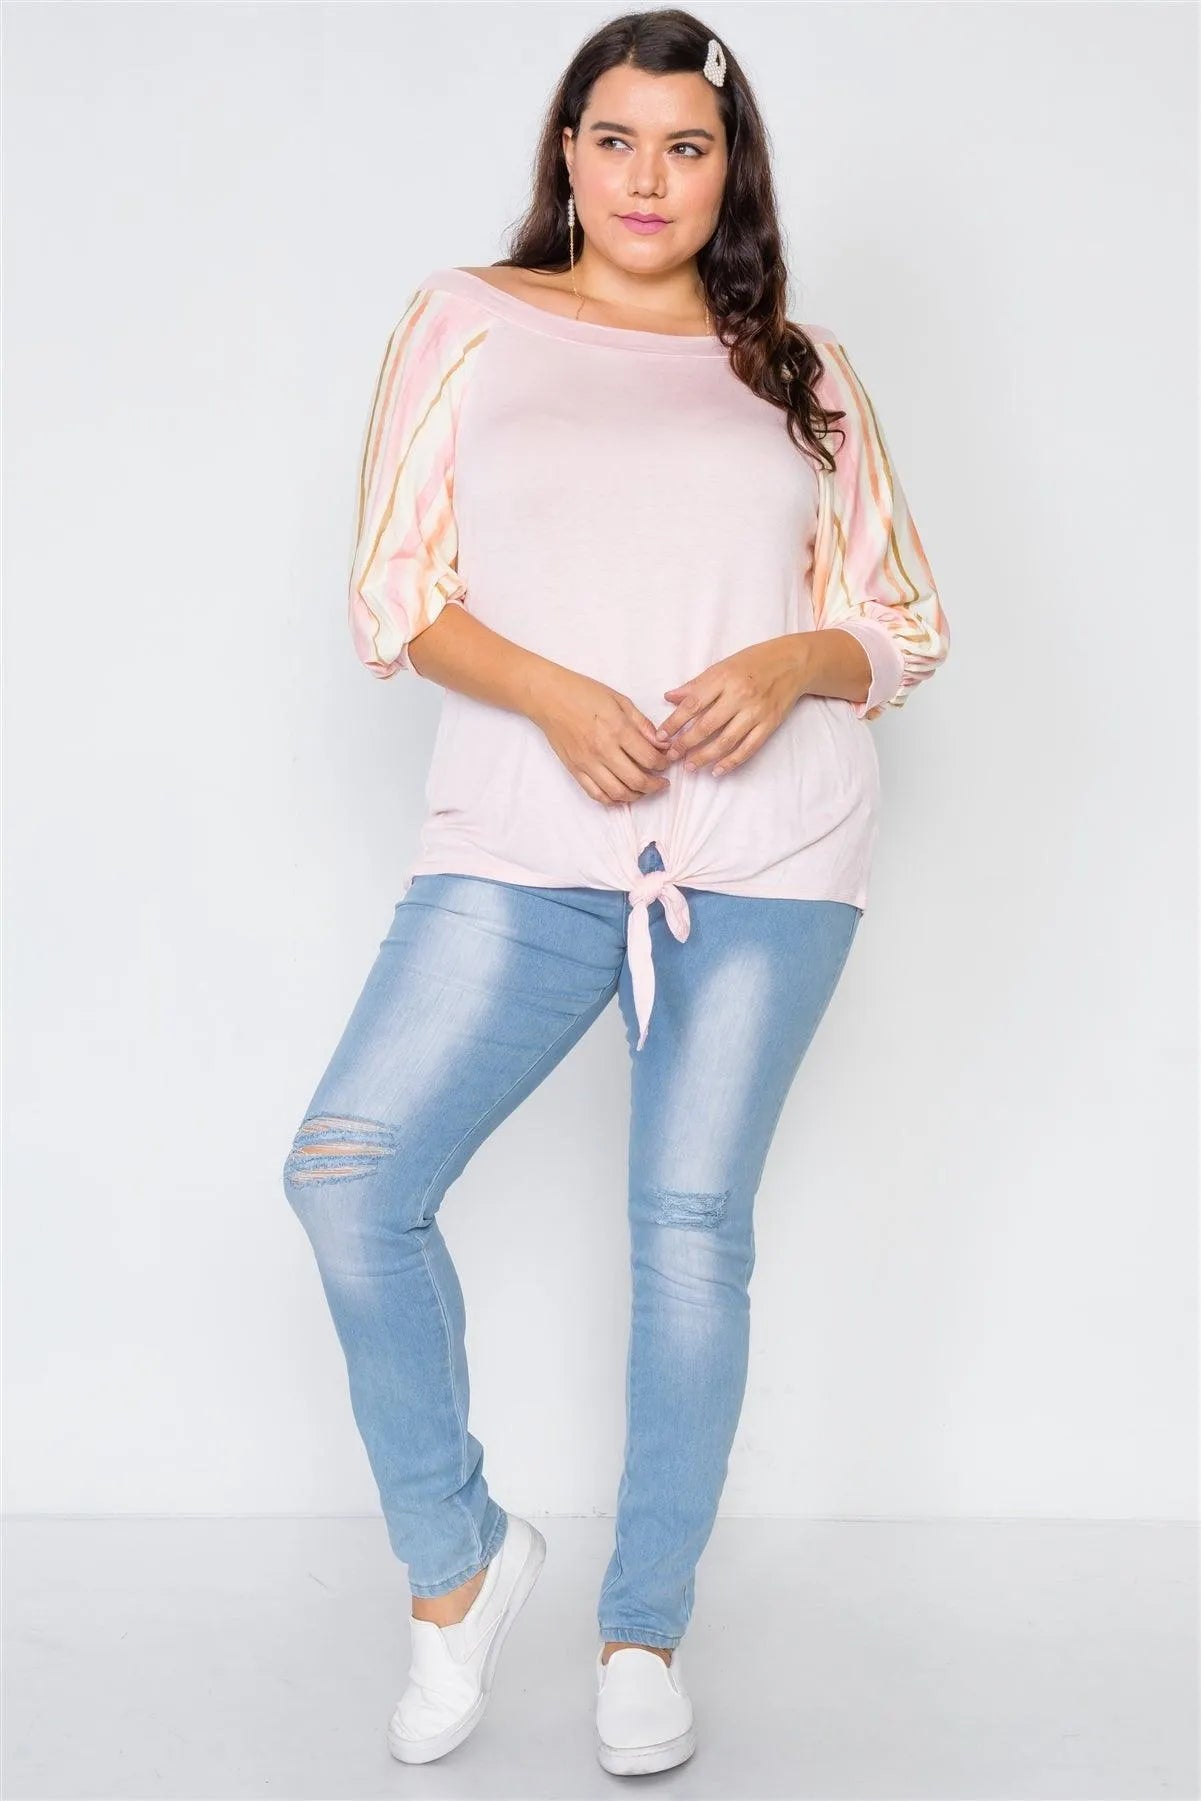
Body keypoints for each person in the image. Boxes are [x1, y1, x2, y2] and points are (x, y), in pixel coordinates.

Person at [282, 7, 950, 1776]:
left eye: (686, 146)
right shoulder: (465, 320)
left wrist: (794, 659)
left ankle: (641, 1628)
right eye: (613, 139)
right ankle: (460, 1563)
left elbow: (902, 620)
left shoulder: (797, 365)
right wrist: (555, 694)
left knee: (687, 1229)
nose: (646, 178)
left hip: (769, 853)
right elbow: (393, 593)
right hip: (522, 839)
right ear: (565, 154)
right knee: (349, 1177)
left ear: (731, 170)